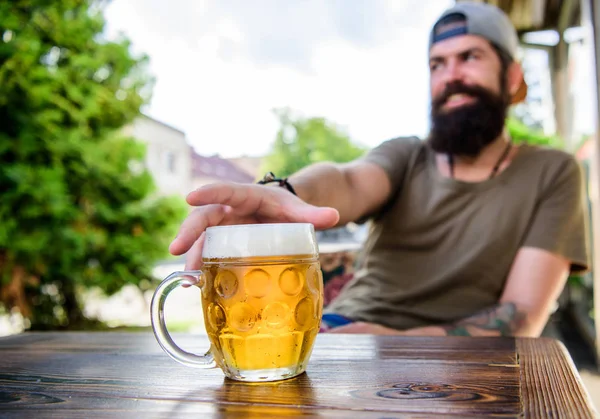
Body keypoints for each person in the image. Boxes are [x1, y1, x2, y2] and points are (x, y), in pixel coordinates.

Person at [169, 2, 590, 338]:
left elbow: (521, 317)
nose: (451, 76)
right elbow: (349, 181)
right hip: (335, 335)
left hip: (452, 369)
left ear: (513, 76)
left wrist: (394, 340)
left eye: (470, 57)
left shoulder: (552, 172)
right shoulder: (407, 156)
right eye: (436, 64)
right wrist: (286, 196)